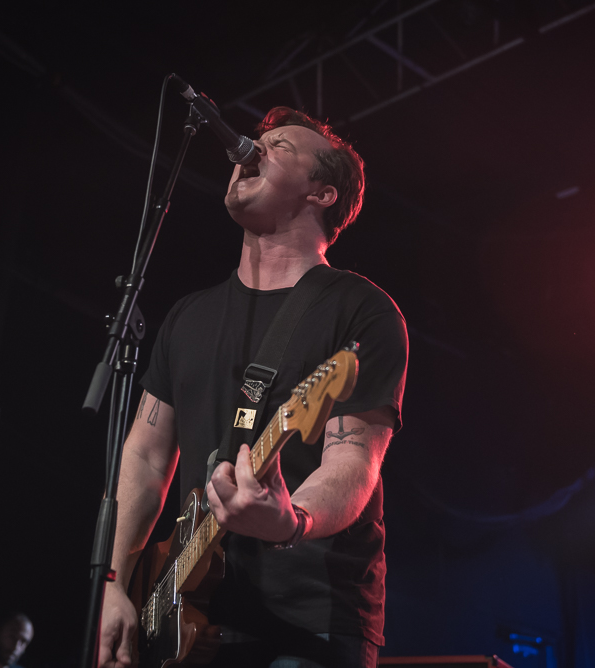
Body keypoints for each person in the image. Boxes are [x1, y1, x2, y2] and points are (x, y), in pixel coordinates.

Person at [98, 106, 408, 668]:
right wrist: (115, 584)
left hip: (307, 621)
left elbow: (353, 462)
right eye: (255, 142)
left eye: (280, 147)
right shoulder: (187, 316)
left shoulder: (360, 310)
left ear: (323, 193)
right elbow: (144, 457)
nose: (250, 151)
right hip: (181, 610)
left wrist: (292, 522)